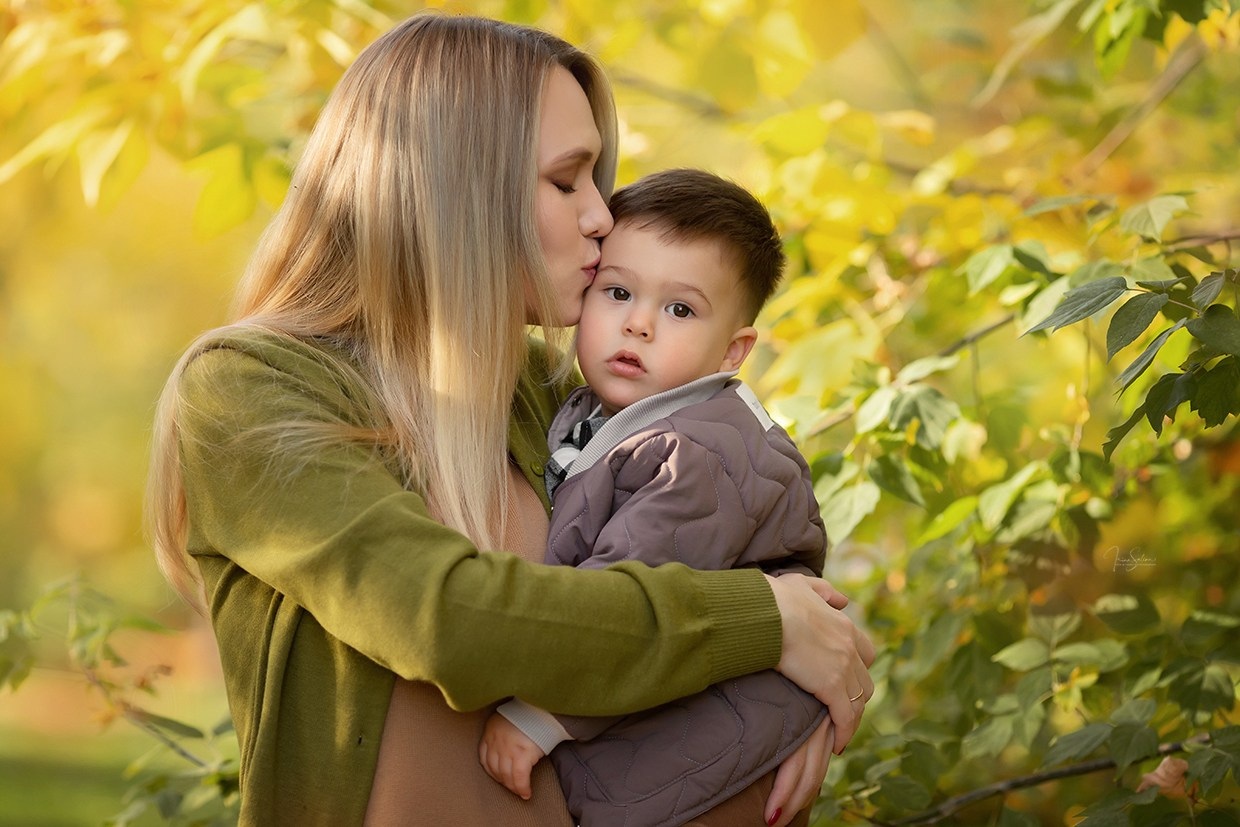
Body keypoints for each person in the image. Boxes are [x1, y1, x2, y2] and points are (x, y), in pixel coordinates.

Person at [144, 13, 875, 827]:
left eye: (597, 179)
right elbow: (444, 617)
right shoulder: (252, 388)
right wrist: (762, 626)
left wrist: (779, 703)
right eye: (567, 182)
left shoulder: (551, 393)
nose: (603, 216)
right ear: (456, 188)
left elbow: (729, 530)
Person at [478, 169, 833, 827]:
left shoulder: (690, 455)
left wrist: (541, 719)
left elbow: (627, 609)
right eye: (617, 292)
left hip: (698, 774)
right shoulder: (608, 415)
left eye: (680, 309)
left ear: (733, 350)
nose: (638, 324)